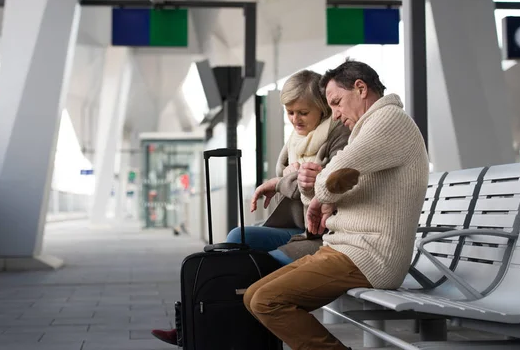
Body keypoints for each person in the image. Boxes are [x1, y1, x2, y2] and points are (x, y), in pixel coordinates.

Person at [151, 69, 351, 346]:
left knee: (250, 267)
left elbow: (316, 185)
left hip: (320, 235)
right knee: (236, 239)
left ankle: (218, 331)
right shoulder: (296, 139)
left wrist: (286, 179)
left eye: (303, 112)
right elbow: (285, 174)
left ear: (321, 108)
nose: (295, 119)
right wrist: (289, 177)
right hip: (295, 228)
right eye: (290, 112)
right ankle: (193, 322)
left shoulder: (338, 133)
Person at [243, 59, 429, 350]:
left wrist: (319, 189)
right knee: (253, 296)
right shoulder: (367, 129)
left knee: (268, 300)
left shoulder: (389, 120)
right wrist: (311, 190)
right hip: (343, 248)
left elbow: (333, 176)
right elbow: (328, 187)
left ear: (361, 88)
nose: (336, 114)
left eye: (337, 103)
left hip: (370, 255)